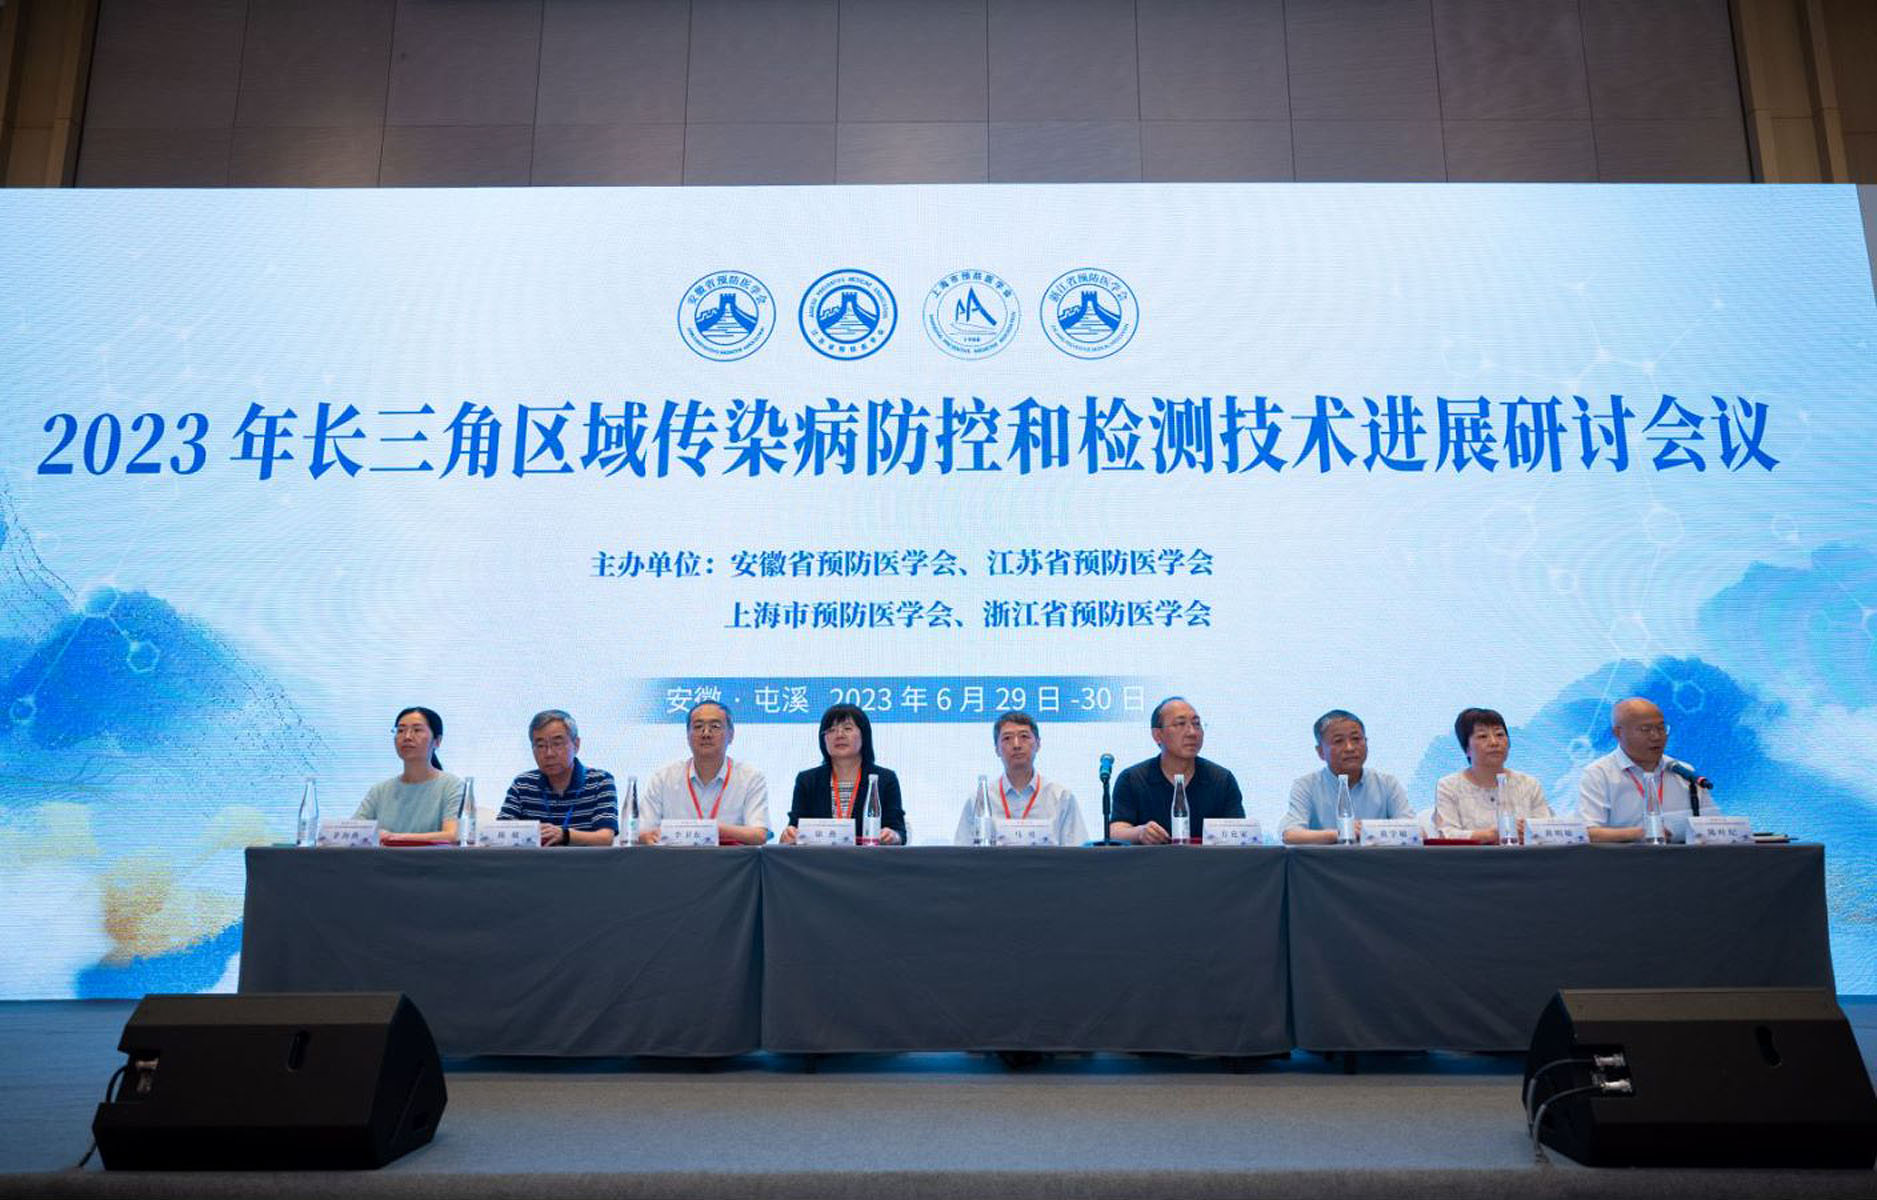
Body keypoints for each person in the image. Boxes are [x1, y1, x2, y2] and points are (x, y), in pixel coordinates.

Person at [1577, 696, 1718, 842]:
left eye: (1661, 728)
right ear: (1618, 733)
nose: (1656, 736)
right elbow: (1588, 833)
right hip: (1625, 855)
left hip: (1683, 854)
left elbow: (1713, 826)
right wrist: (1640, 834)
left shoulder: (1683, 772)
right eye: (1646, 730)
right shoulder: (1599, 774)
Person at [1108, 697, 1244, 844]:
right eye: (1180, 724)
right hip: (1152, 859)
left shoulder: (1222, 779)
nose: (1192, 732)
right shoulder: (1133, 779)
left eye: (1196, 724)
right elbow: (1115, 832)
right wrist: (1139, 833)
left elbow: (1240, 835)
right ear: (1157, 735)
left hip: (1210, 859)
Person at [639, 700, 771, 844]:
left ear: (731, 735)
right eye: (698, 727)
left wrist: (710, 830)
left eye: (715, 726)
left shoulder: (750, 778)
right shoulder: (664, 779)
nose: (706, 733)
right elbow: (642, 831)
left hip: (730, 857)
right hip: (676, 857)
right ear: (687, 736)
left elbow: (759, 835)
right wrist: (646, 837)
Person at [951, 711, 1087, 846]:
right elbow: (961, 853)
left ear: (1038, 744)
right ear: (997, 749)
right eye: (1007, 738)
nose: (1016, 745)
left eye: (1024, 736)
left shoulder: (1061, 797)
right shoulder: (979, 801)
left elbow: (1079, 852)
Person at [1281, 709, 1414, 844]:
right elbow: (1290, 835)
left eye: (1356, 739)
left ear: (1366, 742)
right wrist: (1342, 833)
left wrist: (1371, 831)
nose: (1350, 748)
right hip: (1327, 858)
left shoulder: (1387, 784)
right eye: (1338, 741)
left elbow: (1415, 832)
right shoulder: (1306, 786)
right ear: (1320, 752)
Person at [780, 703, 905, 844]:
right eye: (831, 730)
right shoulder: (807, 780)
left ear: (864, 735)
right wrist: (789, 834)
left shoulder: (884, 779)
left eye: (847, 728)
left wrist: (893, 836)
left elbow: (899, 831)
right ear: (823, 740)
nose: (839, 735)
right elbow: (795, 826)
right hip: (818, 858)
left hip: (868, 857)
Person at [497, 709, 619, 846]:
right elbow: (499, 834)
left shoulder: (600, 782)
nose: (549, 753)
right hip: (534, 859)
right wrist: (529, 833)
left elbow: (605, 838)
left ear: (576, 745)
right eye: (541, 746)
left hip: (583, 859)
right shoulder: (523, 784)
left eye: (557, 744)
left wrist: (564, 835)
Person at [1433, 707, 1550, 842]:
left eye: (1500, 734)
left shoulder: (1529, 784)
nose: (1494, 742)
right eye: (1483, 736)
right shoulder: (1449, 786)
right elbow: (1446, 835)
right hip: (1471, 856)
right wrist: (1490, 835)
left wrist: (1530, 833)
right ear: (1466, 749)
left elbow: (1548, 833)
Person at [355, 706, 463, 843]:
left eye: (417, 730)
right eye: (400, 731)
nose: (407, 737)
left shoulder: (451, 785)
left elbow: (451, 835)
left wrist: (393, 838)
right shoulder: (380, 791)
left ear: (437, 741)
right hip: (384, 857)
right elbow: (352, 833)